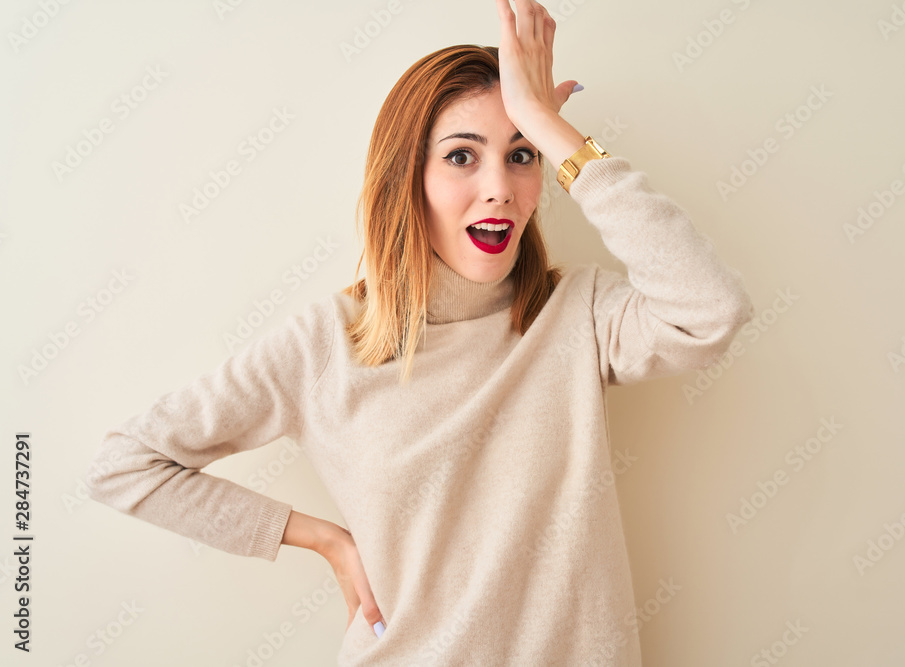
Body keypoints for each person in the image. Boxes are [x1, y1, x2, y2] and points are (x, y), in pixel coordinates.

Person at [85, 0, 756, 664]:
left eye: (520, 156)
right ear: (408, 177)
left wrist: (554, 130)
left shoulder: (577, 311)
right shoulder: (326, 342)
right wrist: (328, 541)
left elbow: (710, 311)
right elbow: (125, 464)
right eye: (462, 157)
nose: (499, 187)